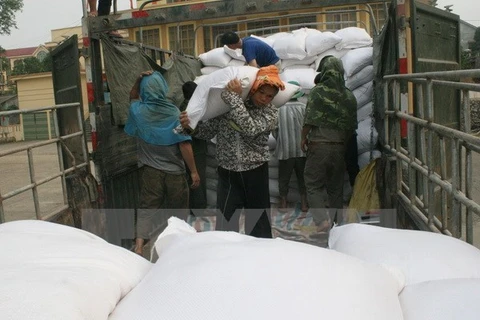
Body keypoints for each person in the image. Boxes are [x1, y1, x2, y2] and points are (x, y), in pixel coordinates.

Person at [180, 65, 285, 238]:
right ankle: (227, 257)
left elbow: (250, 128)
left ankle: (260, 258)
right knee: (226, 222)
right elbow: (209, 131)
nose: (265, 99)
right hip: (227, 172)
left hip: (255, 172)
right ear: (253, 89)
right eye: (262, 93)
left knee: (258, 223)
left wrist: (233, 98)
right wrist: (191, 127)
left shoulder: (270, 113)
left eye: (270, 96)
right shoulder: (226, 108)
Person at [124, 70, 200, 256]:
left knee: (146, 208)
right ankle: (177, 247)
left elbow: (132, 96)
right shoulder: (174, 112)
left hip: (150, 171)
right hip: (174, 172)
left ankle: (140, 245)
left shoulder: (138, 111)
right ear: (162, 88)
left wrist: (139, 78)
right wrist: (193, 172)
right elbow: (184, 144)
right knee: (178, 212)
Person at [301, 56, 357, 243]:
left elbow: (309, 120)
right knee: (336, 188)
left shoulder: (317, 92)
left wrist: (303, 139)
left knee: (313, 184)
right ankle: (336, 223)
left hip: (319, 146)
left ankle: (321, 221)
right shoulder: (349, 96)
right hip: (340, 148)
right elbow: (351, 128)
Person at [273, 81, 308, 212]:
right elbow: (308, 128)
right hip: (302, 150)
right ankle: (304, 203)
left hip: (285, 151)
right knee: (303, 178)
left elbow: (274, 130)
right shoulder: (304, 108)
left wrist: (280, 139)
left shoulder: (278, 109)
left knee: (284, 178)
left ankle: (283, 203)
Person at [179, 81, 208, 213]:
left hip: (191, 147)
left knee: (191, 177)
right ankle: (198, 208)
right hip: (196, 148)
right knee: (197, 177)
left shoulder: (183, 106)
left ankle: (194, 207)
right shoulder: (192, 108)